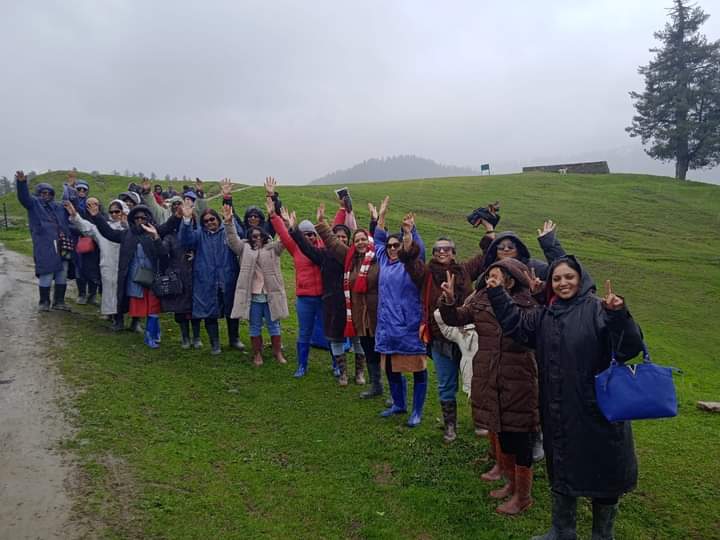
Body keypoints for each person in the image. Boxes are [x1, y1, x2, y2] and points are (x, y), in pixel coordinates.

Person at [487, 255, 643, 539]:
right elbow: (516, 326)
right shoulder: (546, 315)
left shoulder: (599, 310)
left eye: (568, 277)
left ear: (580, 279)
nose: (562, 283)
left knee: (605, 476)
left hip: (600, 413)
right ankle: (562, 531)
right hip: (559, 411)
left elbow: (628, 349)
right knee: (562, 469)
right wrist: (497, 293)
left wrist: (618, 315)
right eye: (557, 278)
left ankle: (602, 535)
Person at [440, 258, 540, 515]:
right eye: (489, 275)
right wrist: (450, 301)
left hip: (517, 374)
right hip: (489, 372)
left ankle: (523, 496)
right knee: (502, 428)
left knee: (520, 435)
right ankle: (510, 484)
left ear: (510, 279)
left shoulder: (527, 302)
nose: (491, 280)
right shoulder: (480, 299)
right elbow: (456, 319)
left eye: (497, 276)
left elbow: (528, 333)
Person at [399, 226, 485, 442]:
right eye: (437, 249)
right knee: (446, 384)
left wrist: (489, 228)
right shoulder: (425, 274)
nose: (442, 252)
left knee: (475, 380)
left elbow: (487, 256)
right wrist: (408, 238)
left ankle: (480, 421)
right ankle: (450, 426)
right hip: (440, 340)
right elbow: (409, 262)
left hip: (467, 337)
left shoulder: (464, 271)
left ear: (454, 253)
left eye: (447, 249)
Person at [316, 205, 383, 397]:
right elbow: (332, 242)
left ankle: (389, 390)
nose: (361, 243)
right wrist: (322, 223)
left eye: (364, 239)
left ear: (369, 241)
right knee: (368, 348)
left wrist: (377, 220)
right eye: (357, 240)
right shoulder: (350, 258)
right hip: (357, 313)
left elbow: (383, 241)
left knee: (382, 352)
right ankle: (375, 386)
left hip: (376, 313)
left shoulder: (379, 258)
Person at [296, 203, 365, 386]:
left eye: (344, 237)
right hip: (333, 305)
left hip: (354, 305)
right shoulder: (324, 255)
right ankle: (342, 372)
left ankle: (359, 373)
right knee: (335, 338)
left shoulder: (356, 257)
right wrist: (293, 229)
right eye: (338, 236)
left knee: (358, 338)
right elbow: (306, 248)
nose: (341, 239)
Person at [373, 198, 428, 427]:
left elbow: (419, 249)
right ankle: (398, 403)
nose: (393, 248)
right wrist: (382, 216)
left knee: (417, 368)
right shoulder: (384, 261)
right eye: (390, 246)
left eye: (397, 245)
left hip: (408, 325)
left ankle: (416, 410)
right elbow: (377, 239)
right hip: (386, 326)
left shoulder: (411, 264)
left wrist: (410, 231)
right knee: (390, 367)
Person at [88, 204, 169, 348]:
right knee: (132, 301)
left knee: (153, 305)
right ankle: (123, 322)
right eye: (137, 218)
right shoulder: (127, 234)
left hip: (152, 277)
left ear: (148, 218)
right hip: (131, 276)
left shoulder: (154, 232)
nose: (140, 220)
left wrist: (178, 217)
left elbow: (164, 247)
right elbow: (109, 233)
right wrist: (96, 217)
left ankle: (151, 334)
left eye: (143, 218)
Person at [268, 178, 326, 378]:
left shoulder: (323, 250)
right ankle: (302, 366)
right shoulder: (295, 249)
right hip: (305, 298)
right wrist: (273, 206)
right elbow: (283, 232)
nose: (309, 238)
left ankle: (338, 365)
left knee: (330, 332)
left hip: (323, 297)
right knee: (304, 333)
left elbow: (335, 235)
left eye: (312, 235)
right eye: (305, 235)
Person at [223, 202, 288, 366]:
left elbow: (285, 240)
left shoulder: (273, 248)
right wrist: (229, 222)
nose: (257, 238)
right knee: (255, 327)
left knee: (274, 326)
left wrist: (286, 223)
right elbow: (232, 239)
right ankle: (257, 354)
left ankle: (277, 352)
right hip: (253, 295)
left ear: (265, 236)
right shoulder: (243, 248)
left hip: (270, 294)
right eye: (254, 236)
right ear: (249, 238)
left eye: (260, 236)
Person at [178, 199, 241, 355]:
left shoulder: (227, 230)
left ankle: (234, 339)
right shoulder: (199, 234)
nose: (209, 223)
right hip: (206, 278)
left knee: (231, 309)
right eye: (205, 221)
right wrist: (186, 220)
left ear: (217, 219)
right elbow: (185, 240)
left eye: (212, 219)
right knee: (209, 311)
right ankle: (215, 344)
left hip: (227, 276)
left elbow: (239, 234)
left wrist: (230, 220)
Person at [64, 198, 128, 329]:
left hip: (125, 264)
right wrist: (75, 215)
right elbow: (88, 228)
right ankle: (115, 318)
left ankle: (130, 319)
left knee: (124, 292)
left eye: (117, 211)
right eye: (112, 212)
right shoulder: (103, 227)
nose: (114, 214)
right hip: (108, 264)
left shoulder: (128, 227)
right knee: (110, 291)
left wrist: (126, 224)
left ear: (123, 211)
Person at [15, 170, 73, 311]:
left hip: (63, 245)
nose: (46, 195)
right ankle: (44, 302)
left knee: (62, 273)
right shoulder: (34, 204)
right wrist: (22, 183)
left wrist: (69, 187)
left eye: (49, 193)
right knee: (47, 272)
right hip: (45, 245)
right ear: (38, 194)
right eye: (43, 193)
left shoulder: (58, 206)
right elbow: (24, 198)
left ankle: (59, 302)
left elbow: (69, 200)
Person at [158, 200, 200, 348]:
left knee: (195, 308)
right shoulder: (170, 237)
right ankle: (185, 337)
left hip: (196, 275)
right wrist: (156, 240)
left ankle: (196, 337)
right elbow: (163, 253)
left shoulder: (198, 233)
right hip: (178, 275)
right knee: (180, 309)